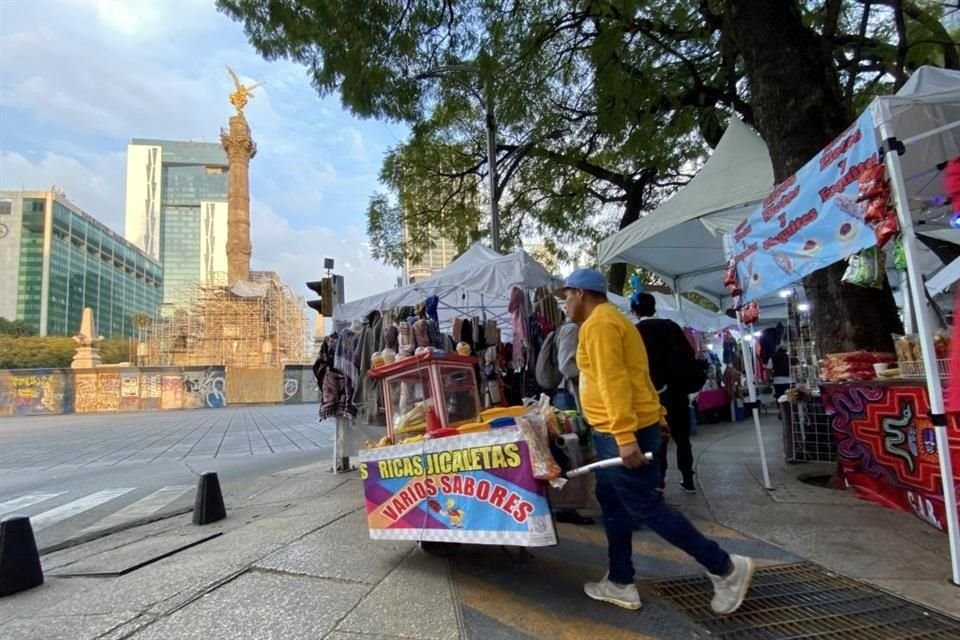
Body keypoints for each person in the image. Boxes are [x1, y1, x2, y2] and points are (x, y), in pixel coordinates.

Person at [560, 268, 754, 613]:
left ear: (581, 293)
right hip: (632, 426)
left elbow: (614, 382)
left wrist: (623, 436)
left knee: (644, 505)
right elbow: (640, 376)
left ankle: (725, 567)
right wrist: (659, 419)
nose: (565, 303)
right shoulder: (615, 320)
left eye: (567, 296)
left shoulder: (599, 325)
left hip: (620, 432)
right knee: (614, 501)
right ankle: (620, 581)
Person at [631, 293, 697, 494]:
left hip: (652, 396)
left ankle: (659, 481)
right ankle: (688, 479)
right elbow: (689, 355)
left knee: (657, 439)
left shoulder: (635, 332)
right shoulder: (671, 327)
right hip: (678, 392)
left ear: (634, 310)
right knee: (682, 439)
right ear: (654, 307)